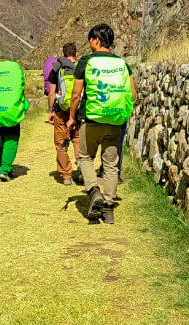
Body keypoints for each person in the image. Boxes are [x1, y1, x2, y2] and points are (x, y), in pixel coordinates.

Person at [67, 24, 135, 224]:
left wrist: (72, 117)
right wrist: (122, 115)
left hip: (91, 120)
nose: (89, 43)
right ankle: (108, 207)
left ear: (96, 40)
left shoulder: (86, 62)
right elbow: (132, 93)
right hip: (114, 120)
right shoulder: (122, 63)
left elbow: (75, 95)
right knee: (111, 165)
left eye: (90, 40)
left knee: (86, 158)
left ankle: (94, 191)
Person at [43, 42, 79, 184]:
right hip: (77, 111)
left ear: (63, 54)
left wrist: (51, 110)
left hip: (61, 110)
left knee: (61, 142)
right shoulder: (80, 68)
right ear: (76, 54)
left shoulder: (57, 69)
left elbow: (52, 93)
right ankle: (81, 166)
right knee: (77, 139)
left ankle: (66, 175)